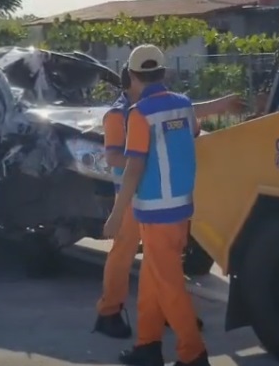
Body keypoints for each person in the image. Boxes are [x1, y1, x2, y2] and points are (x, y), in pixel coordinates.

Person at [94, 63, 245, 340]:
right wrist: (144, 158)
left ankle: (166, 314)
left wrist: (222, 104)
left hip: (154, 196)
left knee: (159, 262)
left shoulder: (151, 107)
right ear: (132, 82)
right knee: (125, 254)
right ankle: (109, 311)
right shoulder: (118, 115)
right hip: (131, 197)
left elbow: (190, 110)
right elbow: (114, 158)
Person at [104, 44, 211, 366]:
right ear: (164, 73)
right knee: (153, 278)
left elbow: (133, 168)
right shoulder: (184, 105)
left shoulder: (140, 114)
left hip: (154, 210)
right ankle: (147, 346)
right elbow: (192, 133)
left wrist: (115, 214)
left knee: (169, 286)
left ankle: (193, 354)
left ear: (133, 76)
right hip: (181, 207)